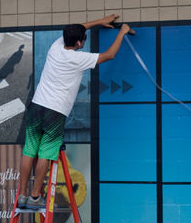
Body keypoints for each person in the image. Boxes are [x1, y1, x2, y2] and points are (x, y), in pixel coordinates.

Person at [18, 14, 131, 210]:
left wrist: (99, 21)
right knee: (45, 153)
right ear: (79, 42)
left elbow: (78, 28)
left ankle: (23, 195)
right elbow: (109, 55)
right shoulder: (79, 58)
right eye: (83, 39)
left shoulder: (56, 46)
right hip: (54, 112)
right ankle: (35, 197)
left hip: (36, 106)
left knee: (29, 152)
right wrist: (122, 32)